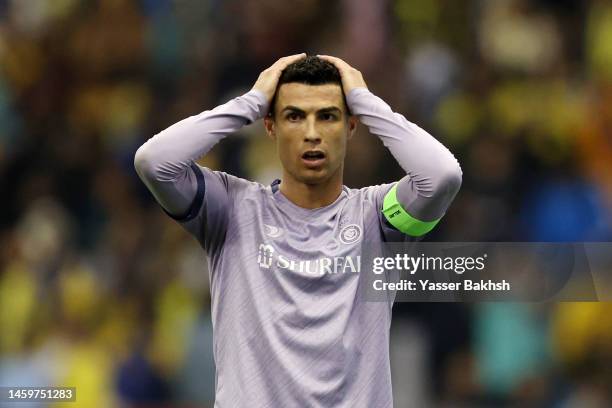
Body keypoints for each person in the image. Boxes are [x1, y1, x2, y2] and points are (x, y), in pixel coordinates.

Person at [134, 53, 462, 407]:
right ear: (270, 126)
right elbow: (154, 162)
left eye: (328, 117)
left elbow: (441, 176)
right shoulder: (230, 210)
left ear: (351, 126)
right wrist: (251, 102)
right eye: (294, 116)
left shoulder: (378, 219)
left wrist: (366, 103)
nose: (311, 134)